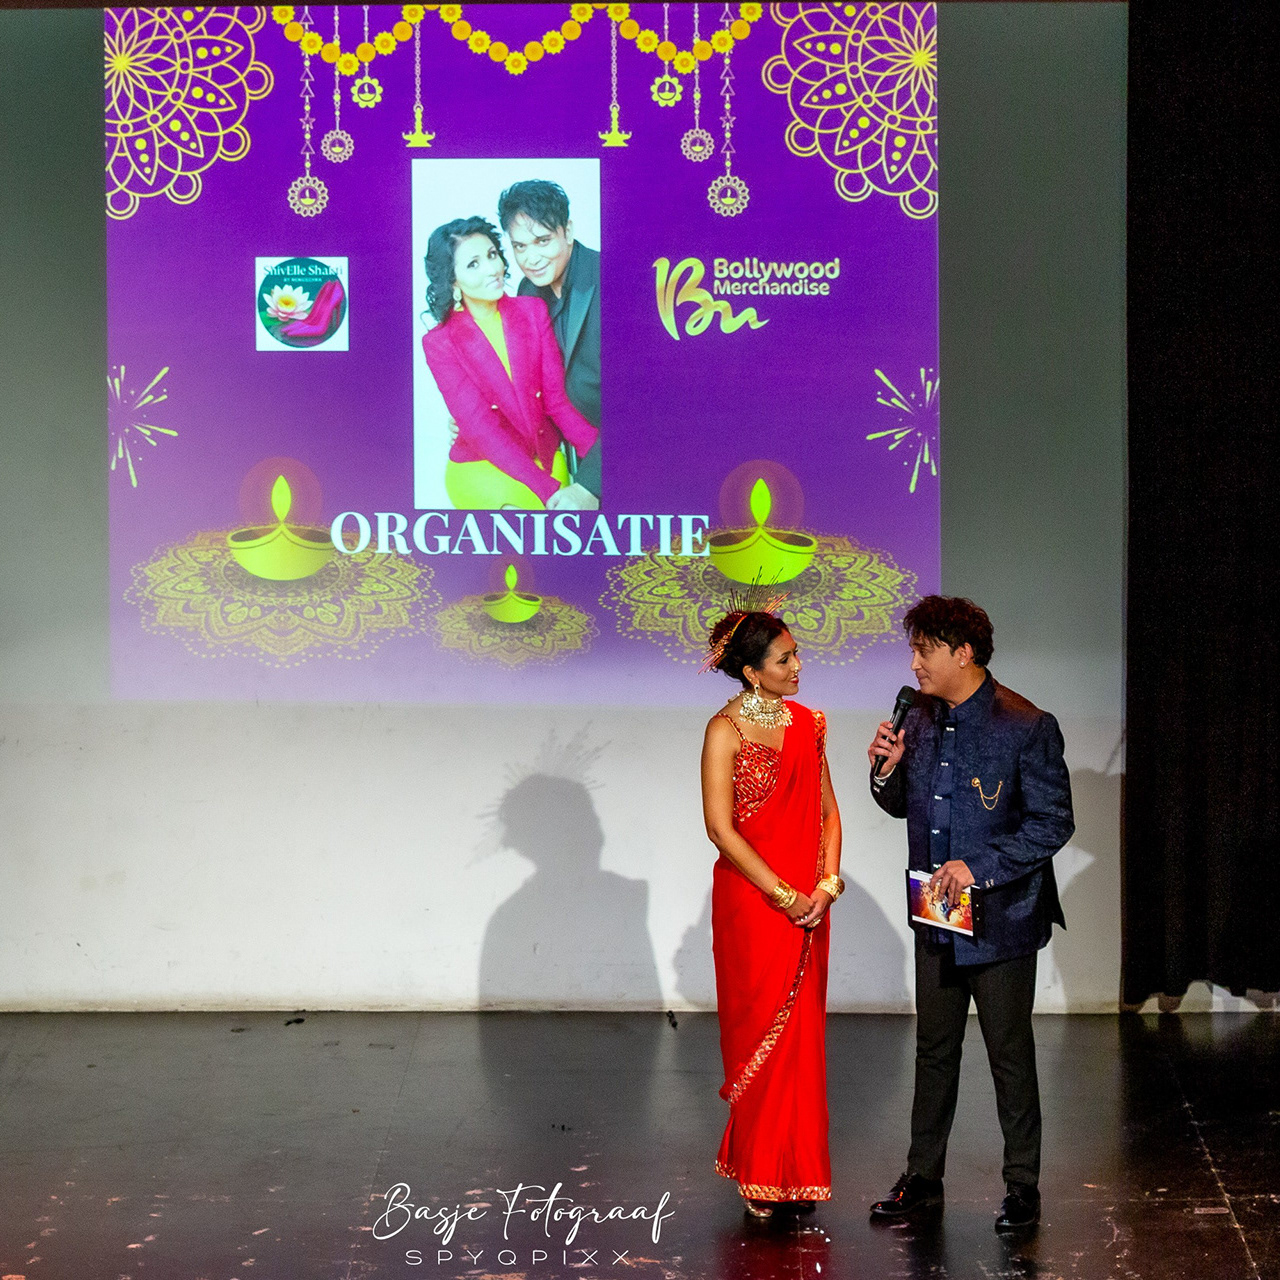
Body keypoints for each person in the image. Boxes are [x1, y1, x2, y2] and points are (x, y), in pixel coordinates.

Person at [866, 596, 1074, 1232]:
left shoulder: (1025, 725)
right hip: (937, 911)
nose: (914, 663)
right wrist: (885, 772)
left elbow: (1052, 822)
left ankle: (1022, 1186)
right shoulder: (919, 716)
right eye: (914, 649)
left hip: (1002, 918)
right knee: (934, 1050)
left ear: (963, 653)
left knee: (1008, 1054)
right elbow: (901, 805)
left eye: (925, 650)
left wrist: (978, 868)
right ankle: (922, 1177)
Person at [699, 606, 844, 1219]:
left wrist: (826, 886)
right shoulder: (724, 731)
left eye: (796, 653)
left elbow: (829, 814)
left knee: (801, 1041)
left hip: (810, 906)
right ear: (752, 672)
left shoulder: (810, 724)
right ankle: (761, 1174)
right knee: (759, 1033)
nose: (798, 666)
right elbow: (720, 829)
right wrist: (784, 895)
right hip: (754, 906)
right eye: (785, 659)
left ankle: (798, 1174)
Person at [420, 216, 598, 510]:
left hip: (544, 455)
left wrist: (603, 464)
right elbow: (481, 429)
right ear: (453, 282)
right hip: (483, 465)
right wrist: (546, 490)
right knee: (520, 520)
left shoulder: (532, 310)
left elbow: (556, 401)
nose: (492, 269)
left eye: (492, 255)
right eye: (473, 264)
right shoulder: (439, 342)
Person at [497, 180, 601, 510]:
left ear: (567, 231)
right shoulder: (528, 291)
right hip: (572, 455)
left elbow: (641, 400)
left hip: (628, 457)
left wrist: (590, 486)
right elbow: (536, 384)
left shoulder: (612, 278)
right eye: (520, 246)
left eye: (543, 241)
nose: (532, 258)